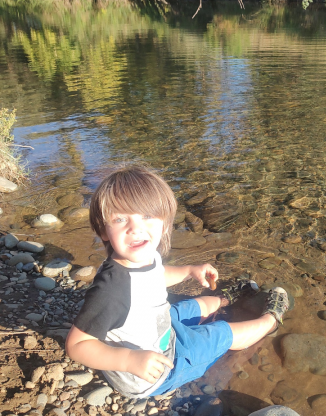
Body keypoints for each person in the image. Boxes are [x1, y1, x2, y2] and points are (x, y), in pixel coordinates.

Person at [65, 165, 289, 399]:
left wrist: (189, 271)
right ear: (103, 230)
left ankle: (224, 300)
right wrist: (129, 359)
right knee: (219, 333)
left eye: (147, 216)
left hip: (158, 328)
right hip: (157, 370)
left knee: (189, 307)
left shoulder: (142, 256)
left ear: (164, 223)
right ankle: (270, 321)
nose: (136, 228)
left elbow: (155, 276)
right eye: (120, 219)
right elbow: (77, 345)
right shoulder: (111, 290)